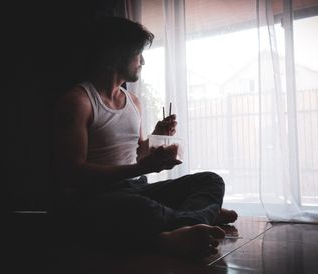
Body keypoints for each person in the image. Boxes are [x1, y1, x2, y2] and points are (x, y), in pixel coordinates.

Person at [52, 16, 238, 259]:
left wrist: (157, 136)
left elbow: (138, 152)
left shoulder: (133, 102)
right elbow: (72, 173)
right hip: (97, 196)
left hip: (137, 188)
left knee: (211, 181)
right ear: (117, 55)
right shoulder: (79, 101)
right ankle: (191, 220)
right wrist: (138, 168)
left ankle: (182, 223)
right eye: (138, 54)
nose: (143, 61)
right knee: (138, 208)